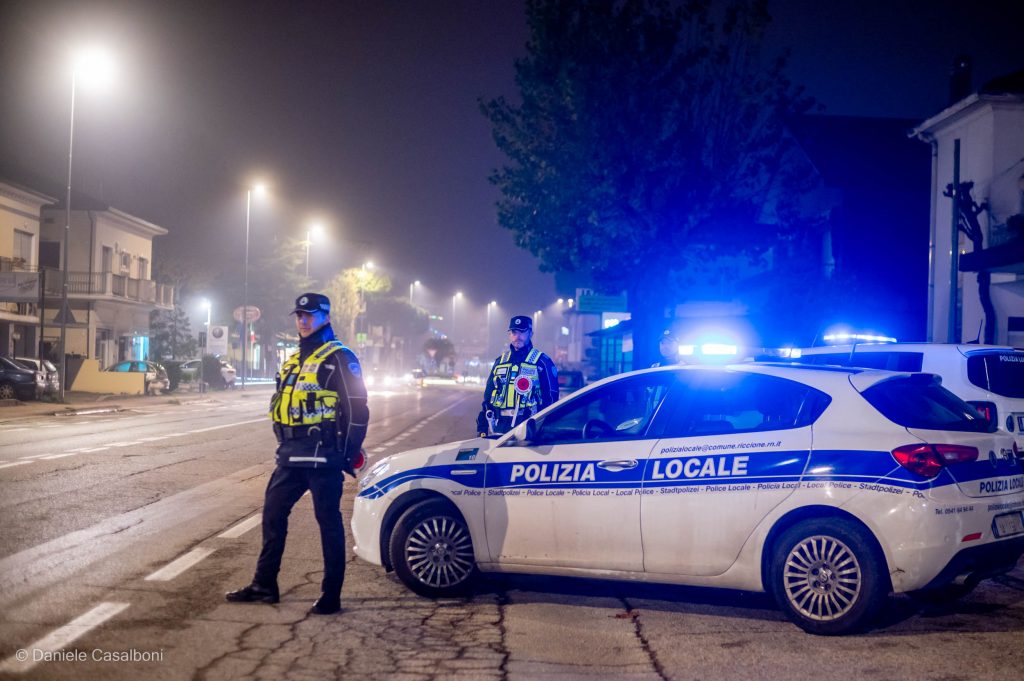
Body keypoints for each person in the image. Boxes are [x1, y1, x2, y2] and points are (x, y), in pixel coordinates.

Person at [226, 292, 369, 615]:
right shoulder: (294, 359)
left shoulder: (340, 357)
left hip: (323, 457)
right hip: (290, 455)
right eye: (299, 315)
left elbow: (358, 410)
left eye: (310, 315)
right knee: (273, 515)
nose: (303, 321)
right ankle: (264, 585)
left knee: (328, 523)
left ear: (325, 317)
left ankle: (331, 595)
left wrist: (347, 454)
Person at [476, 315, 558, 436]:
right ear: (509, 334)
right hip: (499, 427)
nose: (517, 337)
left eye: (522, 332)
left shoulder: (542, 362)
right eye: (514, 332)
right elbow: (488, 396)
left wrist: (544, 429)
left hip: (529, 428)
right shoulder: (500, 362)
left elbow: (551, 399)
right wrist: (482, 427)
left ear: (530, 333)